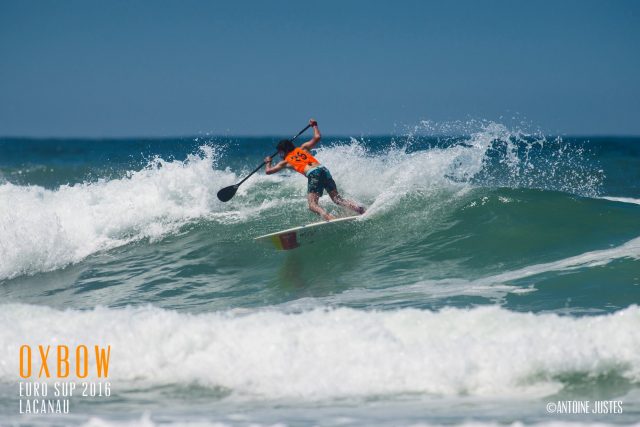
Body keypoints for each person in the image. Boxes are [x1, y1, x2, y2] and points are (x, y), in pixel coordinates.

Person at [264, 119, 366, 221]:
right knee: (337, 199)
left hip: (313, 173)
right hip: (323, 170)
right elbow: (317, 137)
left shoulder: (285, 162)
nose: (280, 155)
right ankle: (360, 209)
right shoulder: (303, 148)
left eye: (280, 153)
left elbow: (268, 171)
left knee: (312, 205)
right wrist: (314, 125)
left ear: (283, 151)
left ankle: (329, 218)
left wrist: (268, 162)